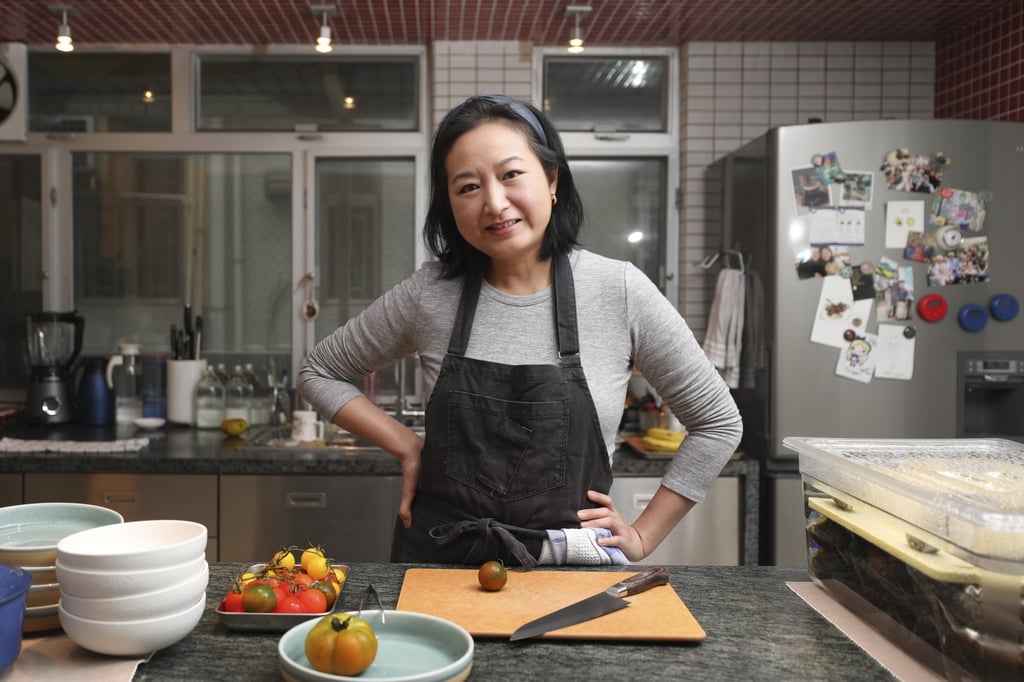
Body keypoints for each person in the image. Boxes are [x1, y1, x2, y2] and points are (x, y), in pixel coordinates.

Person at [298, 95, 742, 567]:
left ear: (552, 179)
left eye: (511, 175)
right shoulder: (431, 293)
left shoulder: (619, 289)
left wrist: (643, 536)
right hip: (441, 563)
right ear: (449, 205)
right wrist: (407, 446)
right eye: (468, 186)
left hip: (571, 570)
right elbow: (319, 371)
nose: (493, 203)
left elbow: (717, 423)